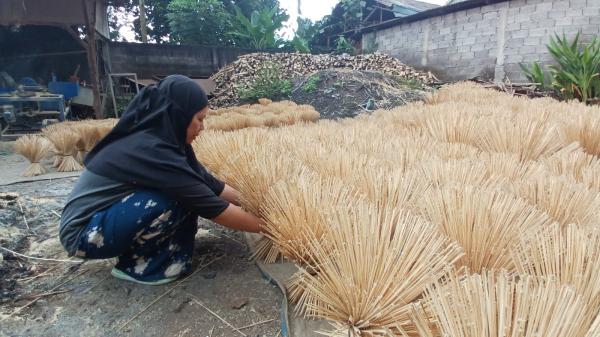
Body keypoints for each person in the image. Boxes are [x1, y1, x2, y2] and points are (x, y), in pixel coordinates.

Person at [59, 75, 263, 285]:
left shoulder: (167, 142)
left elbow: (209, 184)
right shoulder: (151, 150)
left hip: (105, 221)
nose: (202, 128)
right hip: (83, 235)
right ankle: (141, 268)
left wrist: (257, 204)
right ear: (178, 116)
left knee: (185, 192)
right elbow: (211, 207)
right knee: (173, 199)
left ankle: (148, 255)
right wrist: (270, 227)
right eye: (199, 119)